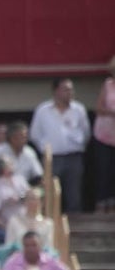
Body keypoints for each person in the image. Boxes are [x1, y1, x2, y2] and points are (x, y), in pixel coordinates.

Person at [30, 77, 90, 214]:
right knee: (50, 193)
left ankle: (75, 226)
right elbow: (35, 134)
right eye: (66, 90)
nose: (70, 93)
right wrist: (45, 149)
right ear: (56, 91)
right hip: (52, 159)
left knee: (73, 193)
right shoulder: (43, 110)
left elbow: (86, 132)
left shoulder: (78, 109)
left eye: (71, 90)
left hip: (74, 157)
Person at [1, 231, 69, 270]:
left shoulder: (50, 261)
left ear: (40, 246)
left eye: (34, 245)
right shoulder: (12, 262)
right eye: (27, 246)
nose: (30, 249)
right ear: (22, 247)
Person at [0, 121, 43, 185]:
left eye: (25, 137)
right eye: (22, 137)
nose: (25, 140)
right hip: (2, 189)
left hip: (25, 189)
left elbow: (38, 174)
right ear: (12, 138)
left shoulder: (29, 152)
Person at [95, 55, 115, 213]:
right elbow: (99, 108)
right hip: (105, 136)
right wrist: (112, 112)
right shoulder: (107, 85)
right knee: (104, 170)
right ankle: (101, 204)